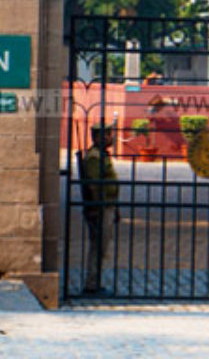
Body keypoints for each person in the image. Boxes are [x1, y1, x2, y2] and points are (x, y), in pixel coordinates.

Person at [80, 123, 120, 294]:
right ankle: (91, 283)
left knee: (101, 245)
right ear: (97, 137)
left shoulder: (102, 155)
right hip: (100, 207)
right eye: (107, 135)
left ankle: (94, 281)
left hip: (107, 205)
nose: (111, 138)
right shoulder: (95, 157)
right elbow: (95, 185)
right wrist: (98, 207)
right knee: (98, 246)